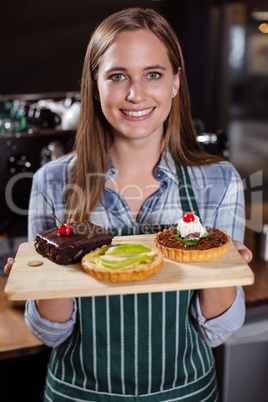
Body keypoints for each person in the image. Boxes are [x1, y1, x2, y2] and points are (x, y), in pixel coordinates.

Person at [5, 7, 252, 402]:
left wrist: (220, 266)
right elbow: (51, 334)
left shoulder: (218, 182)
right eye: (118, 76)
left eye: (153, 74)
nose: (136, 94)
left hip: (184, 393)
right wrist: (45, 279)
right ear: (95, 84)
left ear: (175, 82)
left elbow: (219, 331)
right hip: (78, 393)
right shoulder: (53, 182)